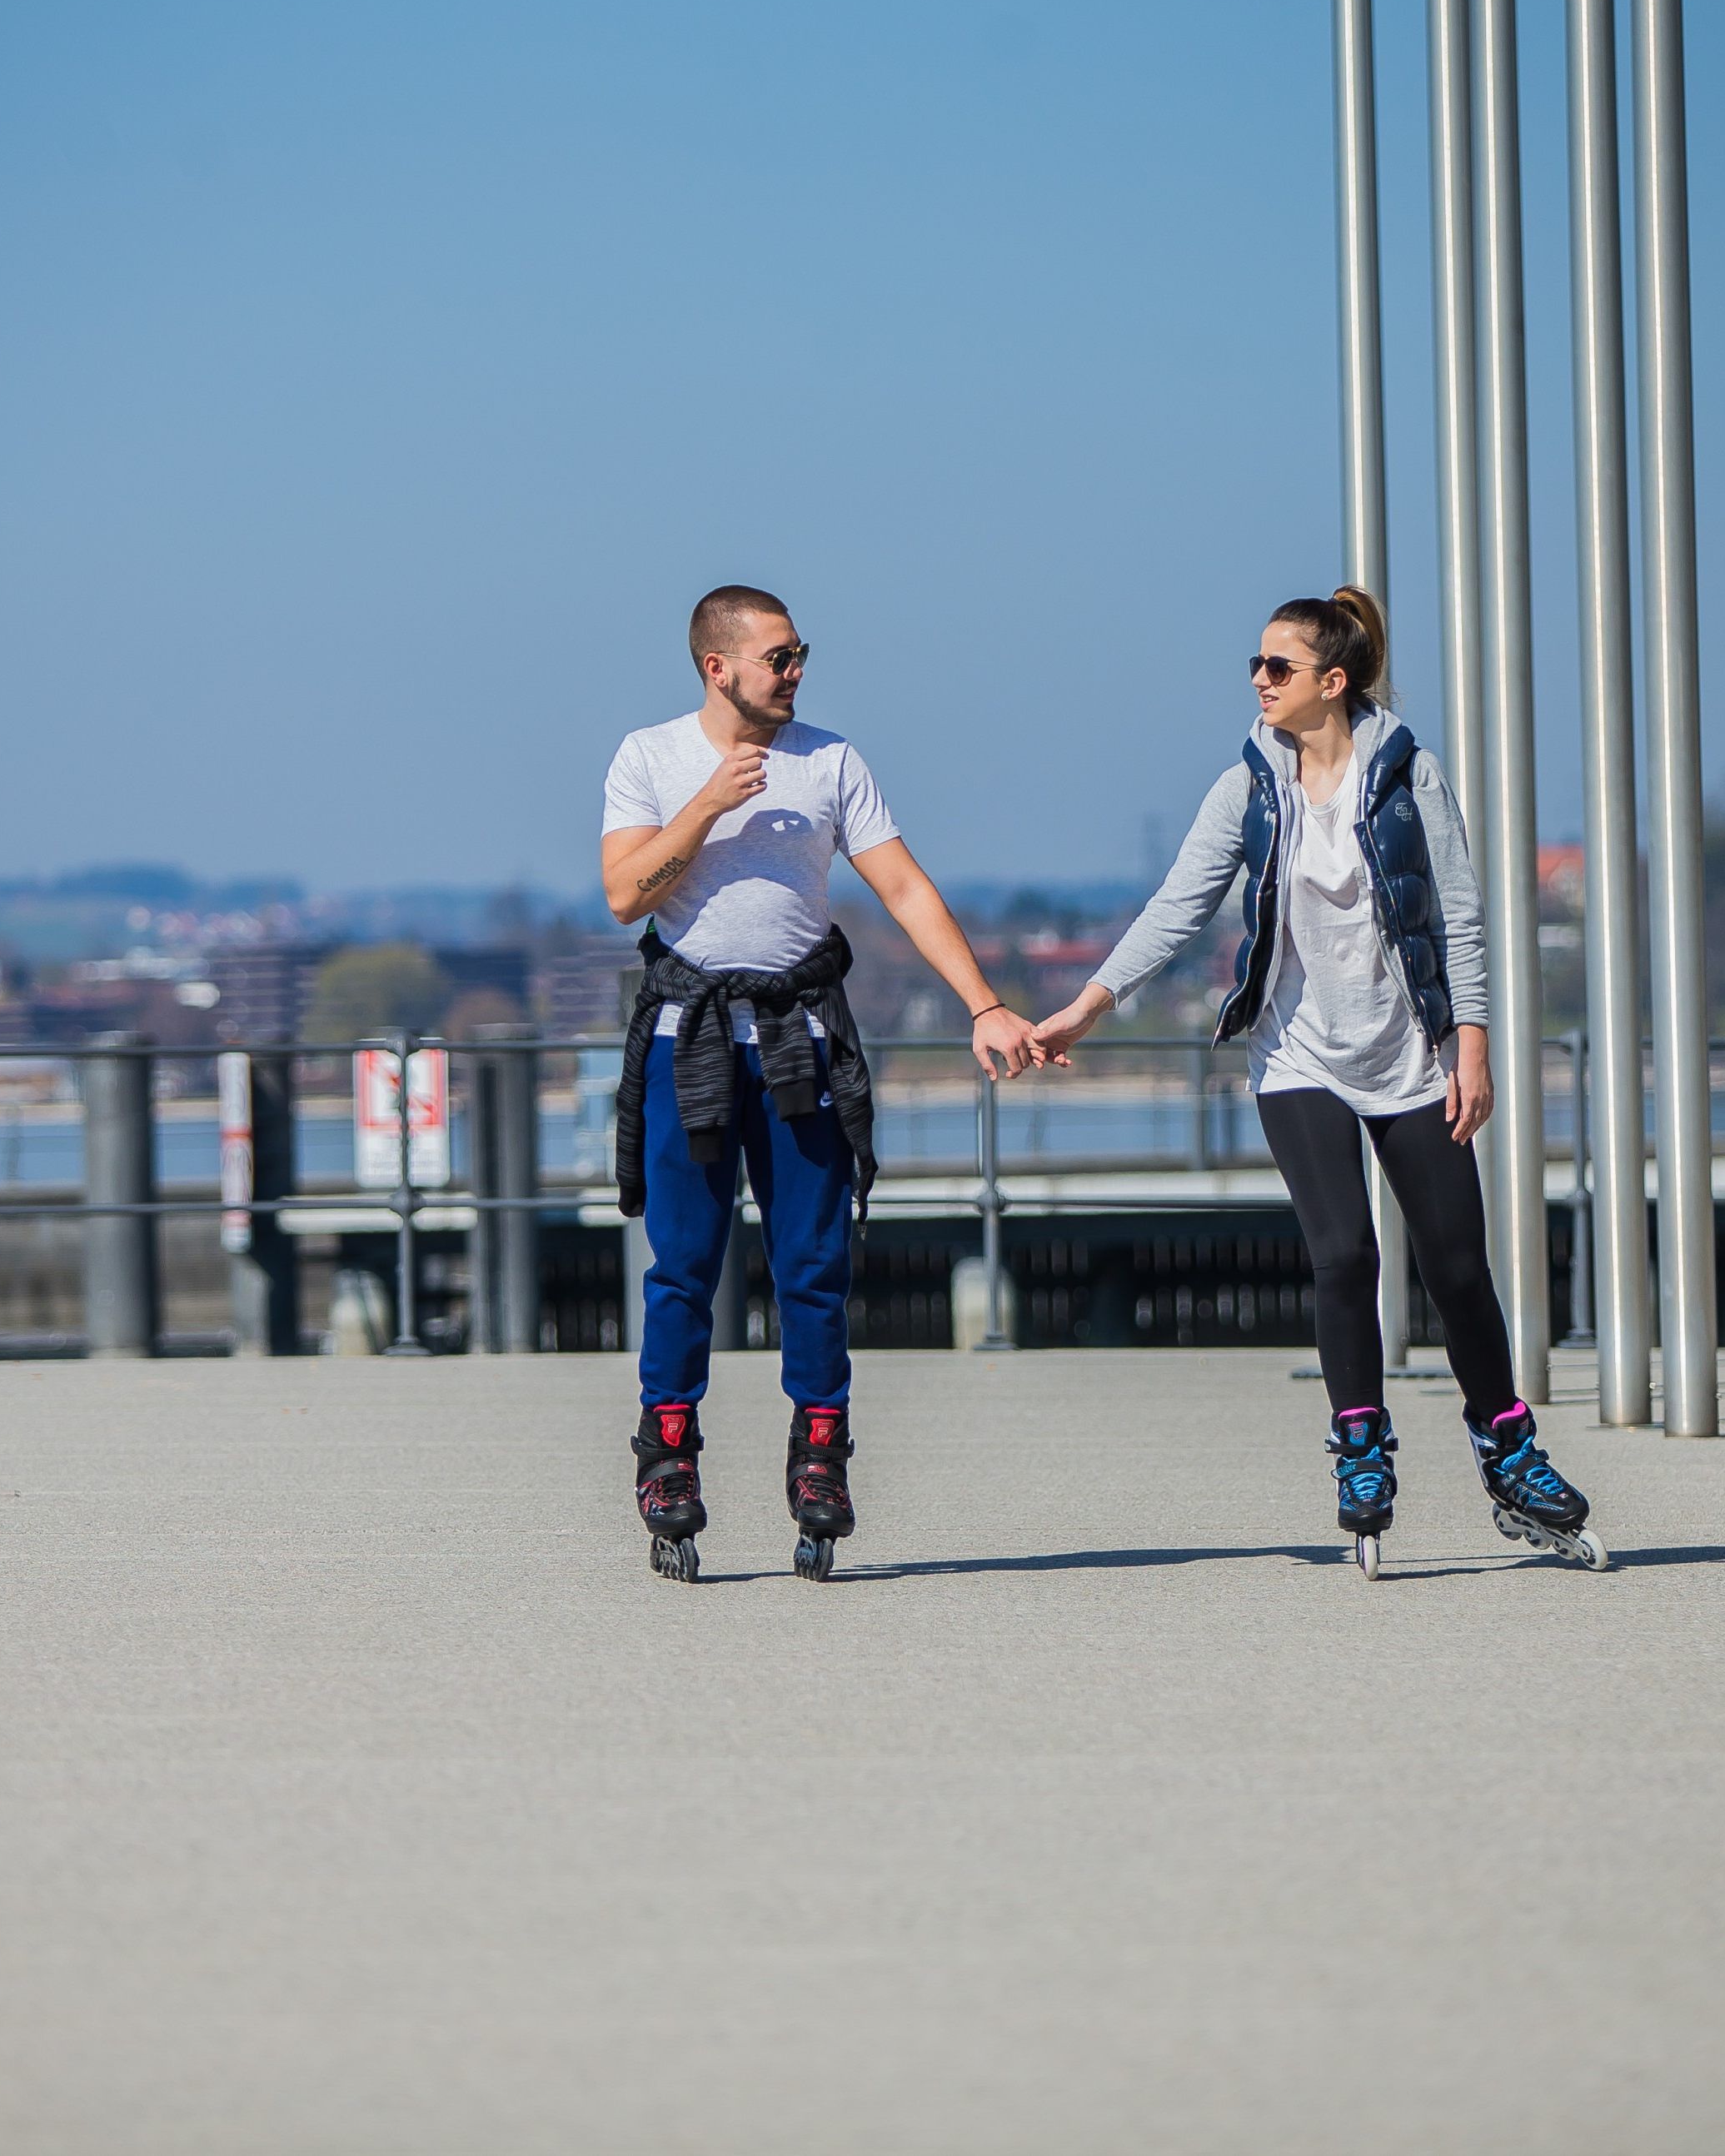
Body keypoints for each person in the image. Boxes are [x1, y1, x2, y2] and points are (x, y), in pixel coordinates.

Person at [1027, 586, 1603, 1576]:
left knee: (1456, 1267)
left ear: (1330, 683)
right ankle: (1361, 1450)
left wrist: (1471, 1044)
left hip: (1410, 1056)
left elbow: (1457, 919)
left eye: (1277, 668)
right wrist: (1092, 1002)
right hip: (1296, 1058)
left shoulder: (1410, 777)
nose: (1257, 681)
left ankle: (1507, 1450)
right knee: (1342, 1256)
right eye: (1253, 665)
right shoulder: (1245, 787)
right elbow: (1178, 905)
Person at [605, 583, 1042, 1582]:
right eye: (778, 657)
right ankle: (666, 1456)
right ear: (718, 667)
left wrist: (982, 1003)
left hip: (800, 1041)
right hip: (689, 1042)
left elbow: (900, 886)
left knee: (812, 1265)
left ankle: (819, 1456)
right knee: (682, 1264)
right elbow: (623, 891)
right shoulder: (649, 757)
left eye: (801, 654)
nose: (796, 671)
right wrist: (709, 803)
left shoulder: (832, 760)